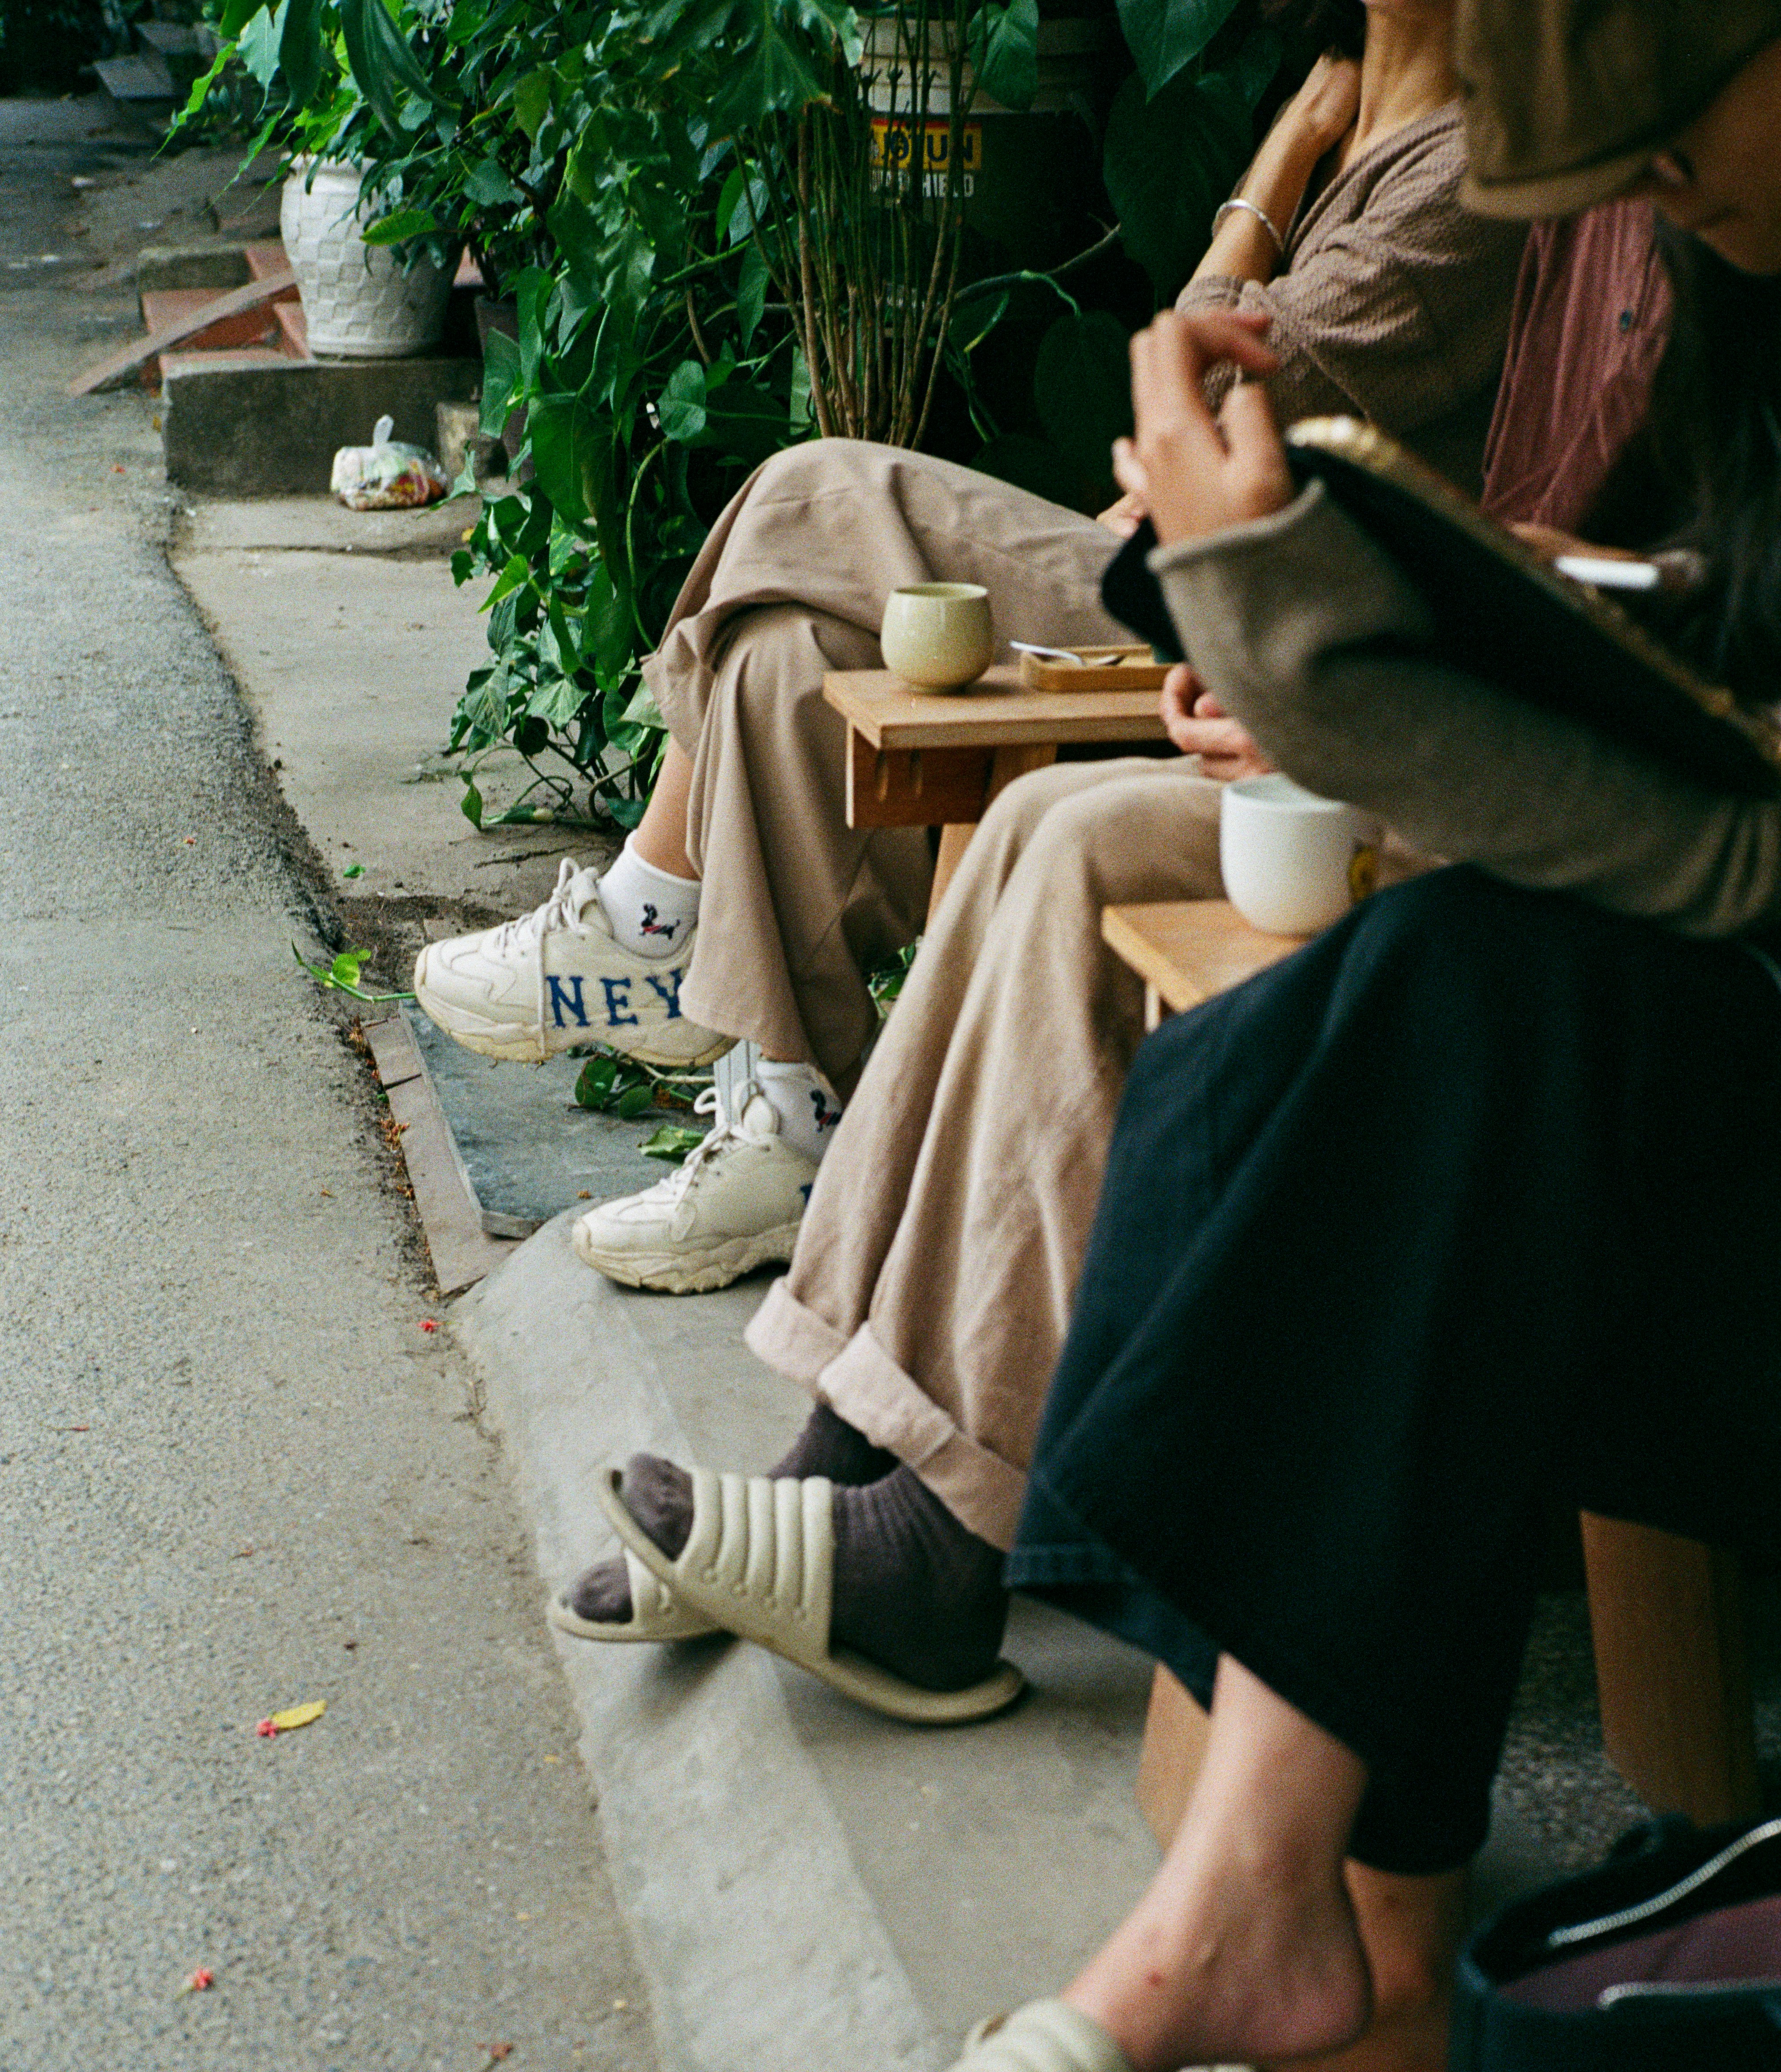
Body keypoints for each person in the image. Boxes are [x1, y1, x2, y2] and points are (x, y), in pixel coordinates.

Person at [604, 0, 1781, 2072]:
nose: (1650, 196)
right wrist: (1421, 617)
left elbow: (1741, 854)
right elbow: (1709, 676)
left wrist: (1299, 629)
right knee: (1337, 1031)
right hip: (1652, 1069)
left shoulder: (1478, 190)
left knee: (1437, 1021)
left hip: (1687, 1136)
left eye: (1670, 132)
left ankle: (1213, 1877)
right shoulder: (1702, 256)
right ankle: (1309, 1928)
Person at [553, 194, 1670, 1687]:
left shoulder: (1494, 166)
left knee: (912, 624)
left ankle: (943, 1545)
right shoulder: (1557, 177)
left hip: (1570, 798)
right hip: (1458, 709)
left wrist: (1336, 650)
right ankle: (842, 1454)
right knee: (1021, 817)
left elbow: (1248, 427)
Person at [413, 0, 1526, 1294]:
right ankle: (790, 1124)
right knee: (780, 656)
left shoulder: (1464, 166)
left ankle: (649, 916)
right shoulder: (1374, 119)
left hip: (1258, 616)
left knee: (814, 491)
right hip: (1198, 566)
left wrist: (1275, 163)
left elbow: (1214, 395)